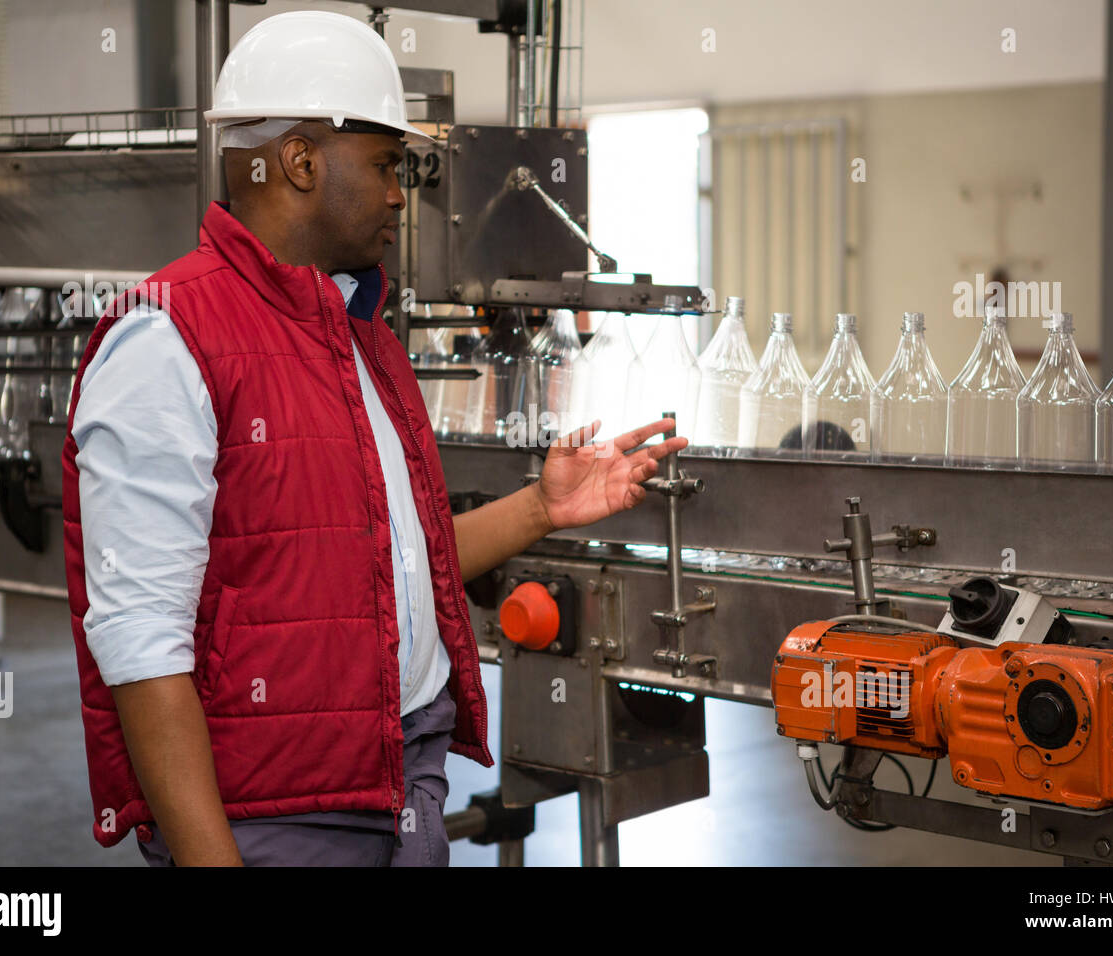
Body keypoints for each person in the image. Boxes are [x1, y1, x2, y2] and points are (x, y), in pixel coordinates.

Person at [61, 10, 685, 867]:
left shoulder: (360, 338)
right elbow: (139, 639)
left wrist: (542, 506)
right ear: (301, 160)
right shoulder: (168, 336)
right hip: (276, 815)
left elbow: (396, 570)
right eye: (388, 165)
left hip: (401, 784)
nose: (401, 193)